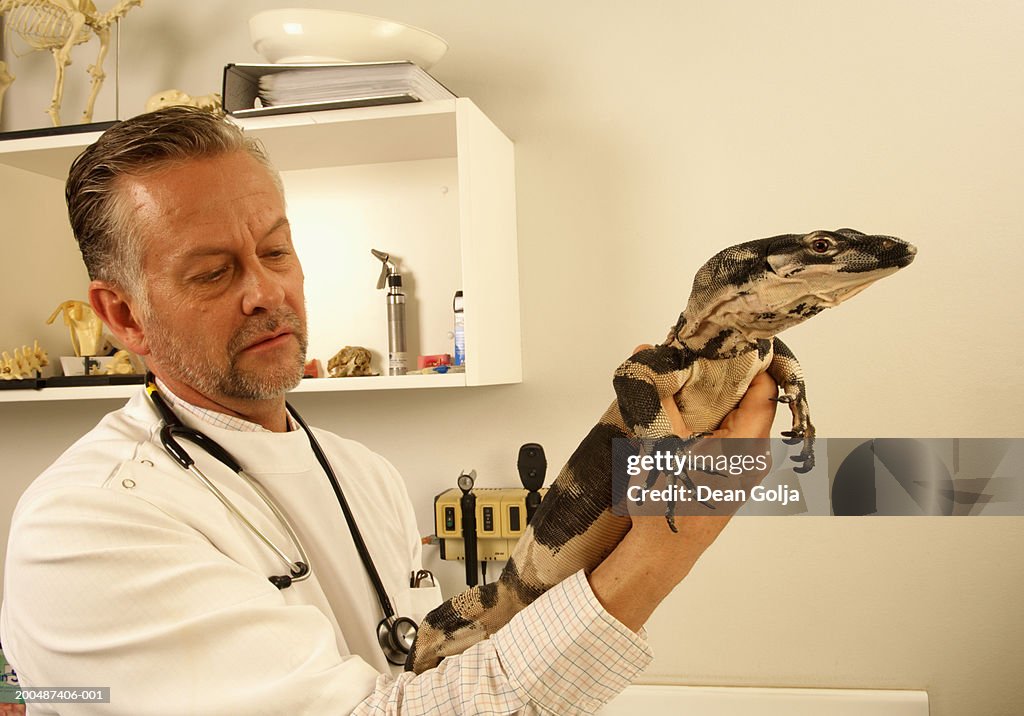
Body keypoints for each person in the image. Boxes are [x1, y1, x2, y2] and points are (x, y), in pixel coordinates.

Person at [0, 107, 777, 715]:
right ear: (125, 317)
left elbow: (435, 674)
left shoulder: (360, 471)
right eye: (212, 272)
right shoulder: (85, 528)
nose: (267, 292)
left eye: (276, 251)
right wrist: (661, 553)